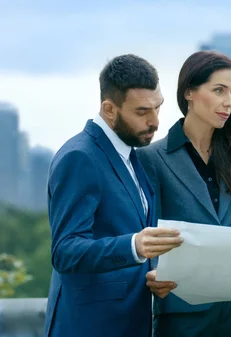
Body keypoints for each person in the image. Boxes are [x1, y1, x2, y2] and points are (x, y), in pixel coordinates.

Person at [44, 54, 184, 337]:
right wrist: (134, 246)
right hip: (89, 326)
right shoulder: (80, 157)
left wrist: (154, 270)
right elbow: (65, 251)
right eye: (142, 111)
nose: (155, 121)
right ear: (109, 109)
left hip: (131, 322)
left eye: (158, 107)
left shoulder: (133, 156)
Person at [137, 50, 231, 337]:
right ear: (189, 93)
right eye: (218, 90)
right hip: (183, 308)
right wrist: (155, 272)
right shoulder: (152, 158)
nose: (228, 102)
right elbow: (146, 228)